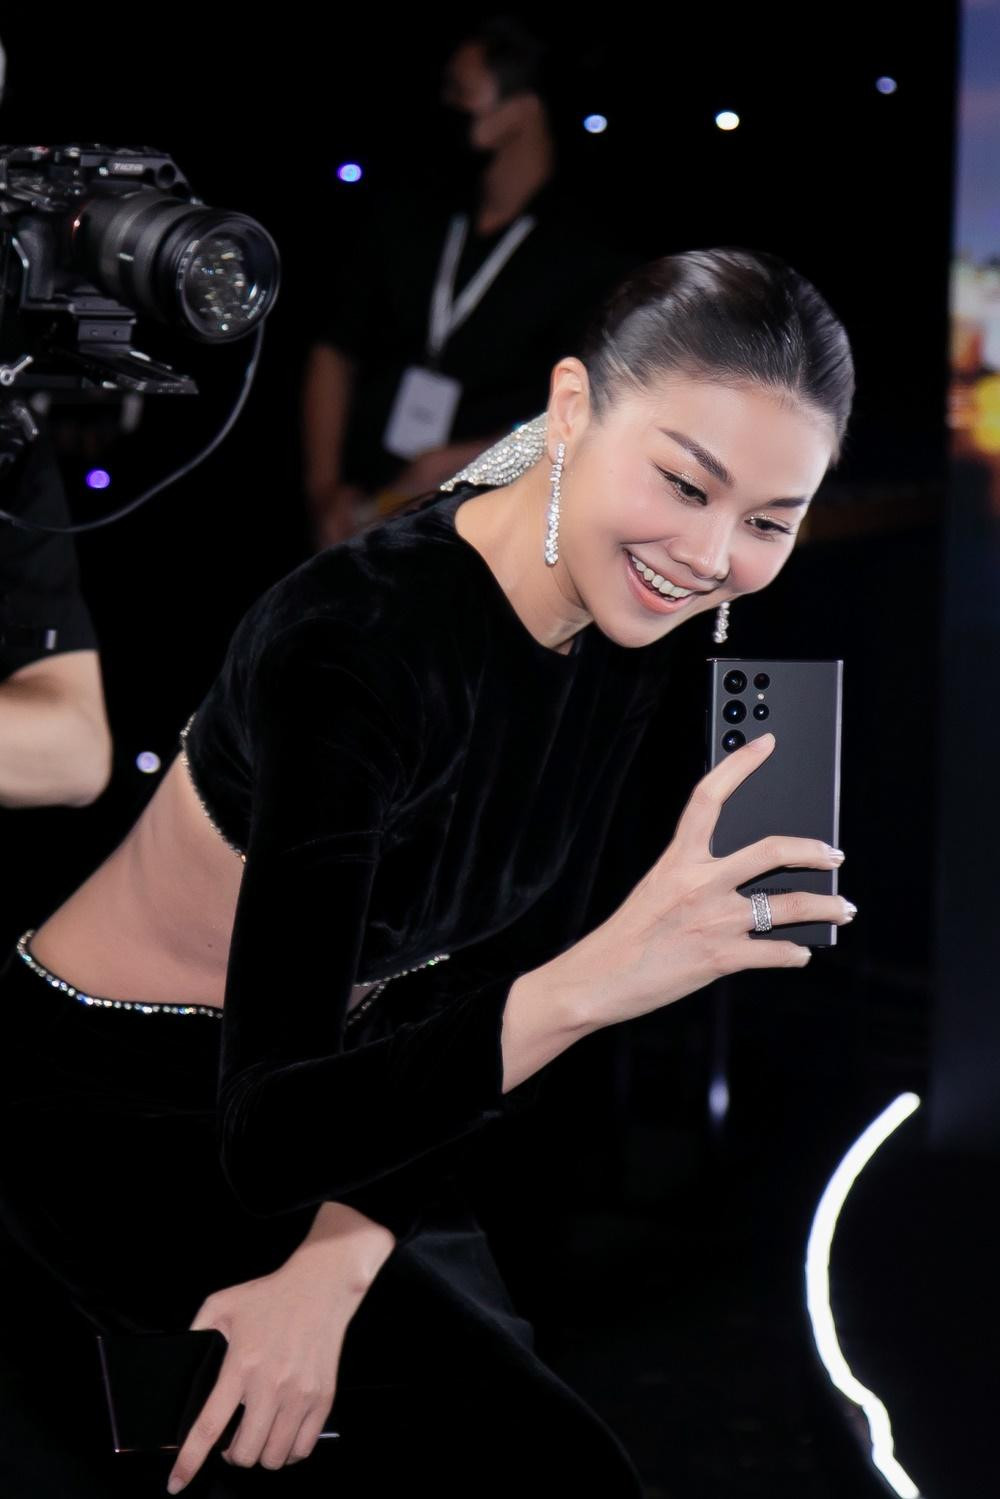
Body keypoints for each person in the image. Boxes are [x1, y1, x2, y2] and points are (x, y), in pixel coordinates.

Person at [0, 246, 856, 1498]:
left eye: (769, 521)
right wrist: (607, 975)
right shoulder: (358, 642)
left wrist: (330, 1270)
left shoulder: (626, 613)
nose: (709, 553)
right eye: (684, 482)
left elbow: (476, 982)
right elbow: (270, 1135)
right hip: (114, 1114)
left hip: (364, 1111)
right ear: (572, 405)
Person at [301, 14, 636, 549]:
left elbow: (592, 411)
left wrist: (460, 465)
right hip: (361, 507)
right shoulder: (409, 212)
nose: (446, 107)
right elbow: (335, 349)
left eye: (462, 93)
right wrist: (324, 492)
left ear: (521, 110)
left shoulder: (590, 252)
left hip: (485, 527)